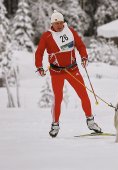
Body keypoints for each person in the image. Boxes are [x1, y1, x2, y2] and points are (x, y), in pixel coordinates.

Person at [35, 10, 102, 138]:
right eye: (56, 23)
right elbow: (39, 52)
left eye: (61, 22)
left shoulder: (70, 31)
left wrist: (84, 57)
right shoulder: (46, 36)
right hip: (56, 72)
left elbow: (81, 46)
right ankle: (55, 125)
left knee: (84, 95)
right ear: (52, 24)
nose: (59, 25)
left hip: (73, 70)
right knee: (58, 99)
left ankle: (91, 121)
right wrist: (39, 66)